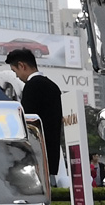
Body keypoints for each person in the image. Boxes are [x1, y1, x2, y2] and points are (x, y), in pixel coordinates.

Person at [4, 48, 65, 181]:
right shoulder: (53, 86)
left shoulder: (32, 86)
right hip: (51, 153)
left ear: (22, 65)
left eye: (15, 71)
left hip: (36, 155)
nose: (16, 76)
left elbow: (27, 122)